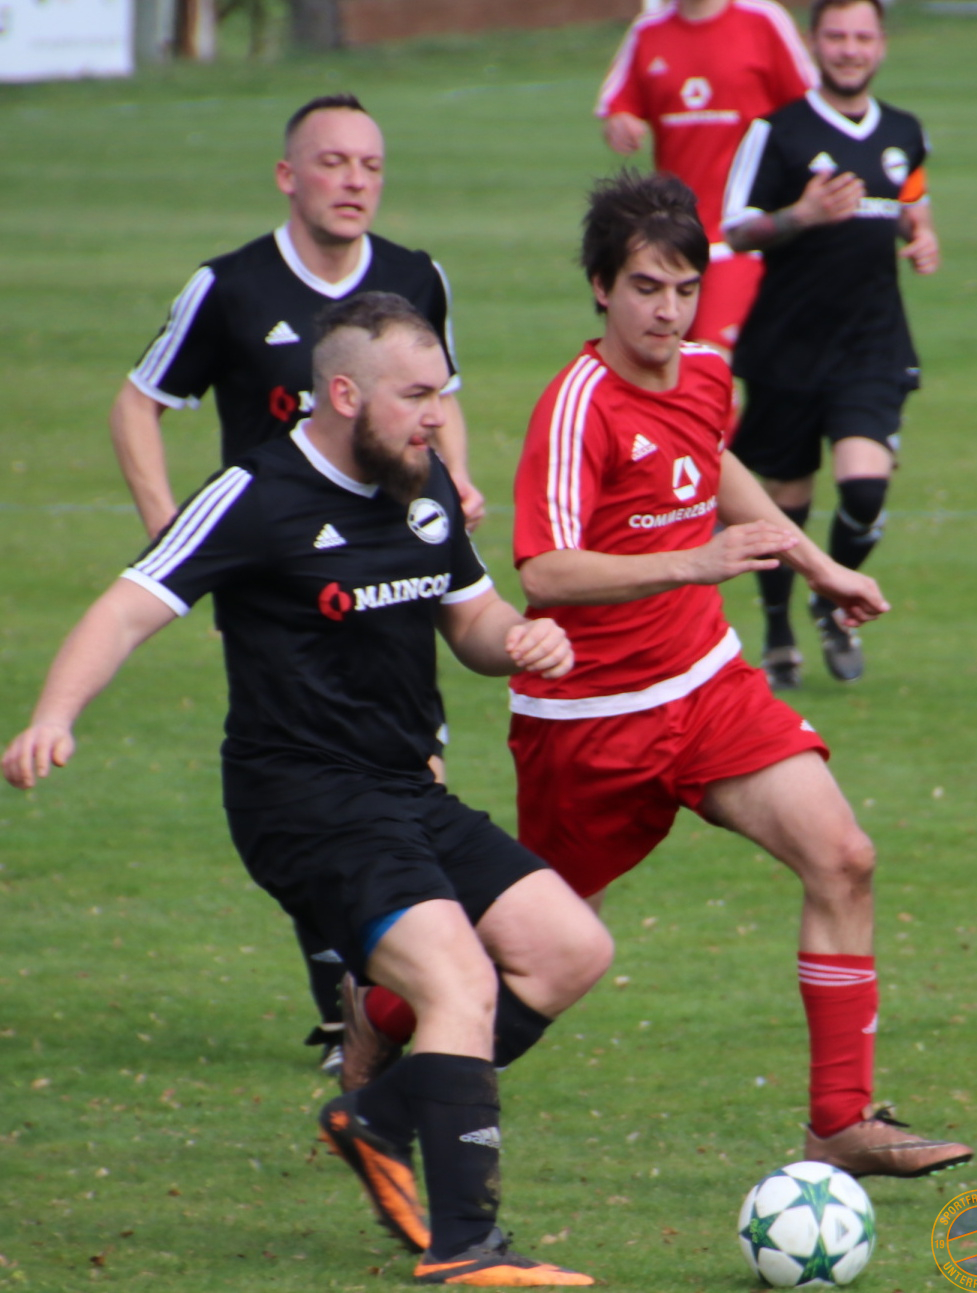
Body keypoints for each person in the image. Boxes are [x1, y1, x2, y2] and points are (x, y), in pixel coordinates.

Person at [4, 293, 611, 1287]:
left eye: (440, 392)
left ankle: (375, 1118)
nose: (435, 416)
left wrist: (521, 640)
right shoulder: (255, 492)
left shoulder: (420, 484)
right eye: (415, 395)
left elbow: (472, 620)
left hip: (404, 787)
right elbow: (124, 609)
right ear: (343, 393)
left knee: (569, 950)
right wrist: (53, 717)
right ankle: (466, 1247)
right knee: (458, 983)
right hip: (303, 801)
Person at [505, 169, 971, 1179]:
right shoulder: (576, 407)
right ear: (600, 287)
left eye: (684, 289)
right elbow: (543, 570)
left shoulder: (705, 372)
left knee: (842, 856)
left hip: (706, 687)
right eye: (644, 288)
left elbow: (713, 462)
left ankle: (839, 1121)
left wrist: (817, 564)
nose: (666, 312)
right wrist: (694, 561)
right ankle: (381, 1019)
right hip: (592, 717)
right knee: (534, 942)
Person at [110, 92, 486, 1074]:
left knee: (412, 762)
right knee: (312, 766)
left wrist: (455, 482)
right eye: (331, 162)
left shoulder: (416, 277)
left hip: (391, 563)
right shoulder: (230, 287)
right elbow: (138, 403)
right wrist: (174, 536)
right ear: (288, 176)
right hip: (278, 576)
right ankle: (358, 1000)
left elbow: (439, 396)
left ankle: (376, 999)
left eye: (370, 164)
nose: (353, 181)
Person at [722, 0, 938, 688]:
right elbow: (735, 229)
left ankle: (831, 601)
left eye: (862, 36)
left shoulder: (904, 131)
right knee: (782, 499)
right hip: (788, 345)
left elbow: (910, 203)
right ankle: (779, 628)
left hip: (873, 343)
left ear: (881, 45)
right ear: (815, 43)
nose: (850, 49)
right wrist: (803, 214)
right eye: (837, 36)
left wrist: (922, 235)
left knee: (865, 487)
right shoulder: (777, 131)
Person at [595, 0, 816, 357]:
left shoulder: (762, 20)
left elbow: (811, 110)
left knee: (709, 360)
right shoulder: (649, 31)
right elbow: (618, 106)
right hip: (675, 239)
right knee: (671, 362)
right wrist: (620, 123)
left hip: (742, 235)